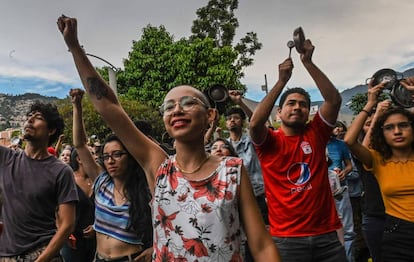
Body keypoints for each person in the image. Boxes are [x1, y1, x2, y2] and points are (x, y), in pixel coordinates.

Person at [58, 15, 281, 262]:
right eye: (169, 106)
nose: (176, 110)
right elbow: (109, 105)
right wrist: (75, 47)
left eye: (188, 103)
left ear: (210, 115)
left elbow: (260, 245)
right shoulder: (160, 168)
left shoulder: (232, 171)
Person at [249, 36, 346, 262]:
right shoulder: (268, 142)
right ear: (279, 113)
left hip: (327, 238)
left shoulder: (316, 133)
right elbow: (254, 123)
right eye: (291, 103)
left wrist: (308, 62)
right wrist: (282, 81)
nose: (298, 107)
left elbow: (333, 100)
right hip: (286, 240)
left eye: (303, 104)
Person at [70, 88, 153, 262]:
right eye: (106, 156)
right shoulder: (101, 182)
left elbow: (168, 223)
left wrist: (154, 248)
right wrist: (77, 106)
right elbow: (80, 144)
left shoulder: (145, 188)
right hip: (99, 258)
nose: (110, 161)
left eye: (117, 154)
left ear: (129, 156)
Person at [344, 81, 414, 262]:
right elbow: (350, 141)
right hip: (398, 234)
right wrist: (370, 104)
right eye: (389, 128)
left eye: (404, 125)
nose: (397, 131)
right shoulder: (377, 160)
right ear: (381, 133)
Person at [0, 101, 78, 261]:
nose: (29, 120)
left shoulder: (62, 171)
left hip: (42, 253)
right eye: (29, 117)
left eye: (38, 118)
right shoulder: (6, 157)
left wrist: (41, 260)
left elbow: (67, 224)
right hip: (6, 255)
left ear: (51, 130)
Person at [60, 106, 96, 262]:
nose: (95, 157)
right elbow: (57, 210)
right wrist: (66, 233)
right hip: (72, 241)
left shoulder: (98, 179)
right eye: (91, 154)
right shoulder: (68, 179)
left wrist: (97, 227)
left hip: (96, 240)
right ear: (80, 159)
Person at [327, 122, 356, 262]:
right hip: (321, 193)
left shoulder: (340, 144)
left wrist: (344, 172)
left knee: (348, 230)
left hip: (340, 189)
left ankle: (349, 258)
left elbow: (349, 165)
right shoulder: (312, 143)